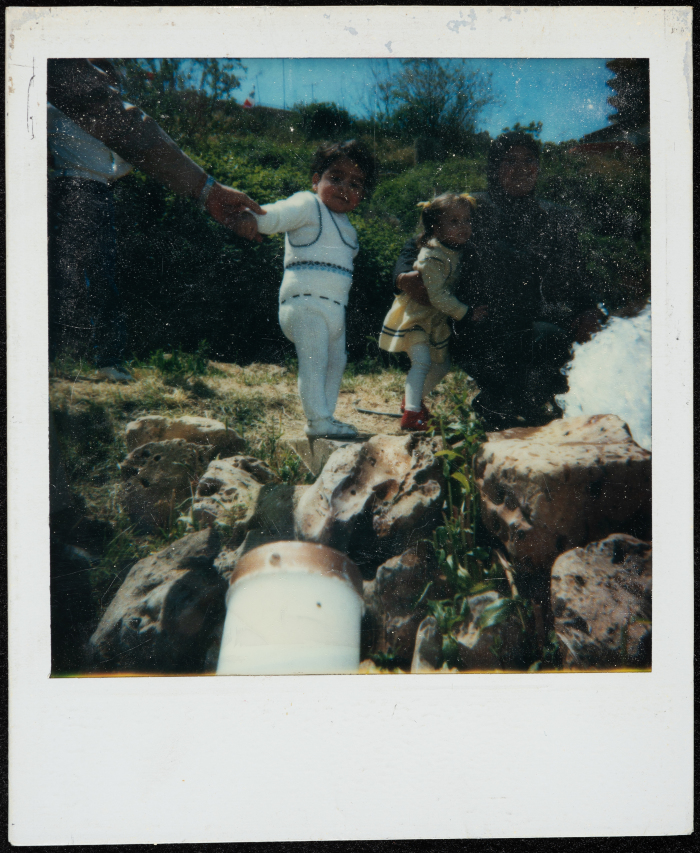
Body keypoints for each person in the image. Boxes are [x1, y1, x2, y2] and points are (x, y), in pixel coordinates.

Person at [47, 58, 265, 380]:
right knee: (75, 275)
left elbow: (127, 153)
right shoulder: (62, 105)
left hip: (96, 192)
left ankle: (100, 359)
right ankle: (84, 359)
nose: (109, 83)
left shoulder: (86, 112)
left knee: (95, 274)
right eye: (103, 74)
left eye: (112, 79)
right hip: (73, 189)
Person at [393, 131, 603, 430]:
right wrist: (403, 276)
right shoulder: (472, 208)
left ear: (538, 167)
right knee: (520, 372)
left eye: (529, 160)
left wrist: (589, 309)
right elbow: (419, 243)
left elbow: (577, 274)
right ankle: (497, 404)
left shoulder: (557, 217)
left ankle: (527, 402)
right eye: (510, 161)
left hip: (537, 322)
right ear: (494, 168)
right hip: (480, 324)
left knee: (554, 342)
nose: (521, 168)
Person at [237, 140, 378, 439]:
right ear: (316, 181)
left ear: (362, 194)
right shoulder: (308, 205)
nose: (344, 187)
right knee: (315, 360)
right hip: (304, 305)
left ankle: (326, 416)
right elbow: (277, 215)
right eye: (335, 177)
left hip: (335, 313)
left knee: (335, 363)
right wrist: (253, 218)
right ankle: (317, 420)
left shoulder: (350, 230)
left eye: (355, 184)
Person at [379, 193, 480, 431]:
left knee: (441, 366)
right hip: (415, 316)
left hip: (434, 318)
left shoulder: (456, 250)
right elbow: (436, 296)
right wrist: (466, 313)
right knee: (422, 362)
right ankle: (412, 414)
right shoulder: (432, 256)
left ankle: (411, 402)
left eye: (467, 220)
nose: (463, 226)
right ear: (436, 227)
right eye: (454, 221)